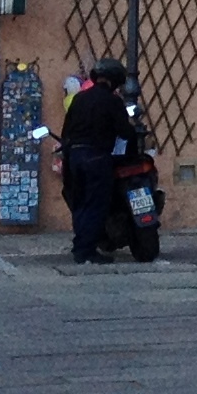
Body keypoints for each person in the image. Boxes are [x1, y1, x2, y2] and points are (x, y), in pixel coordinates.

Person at [62, 61, 131, 263]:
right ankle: (86, 251)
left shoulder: (79, 99)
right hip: (97, 157)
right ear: (115, 80)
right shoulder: (113, 101)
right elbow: (125, 132)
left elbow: (66, 131)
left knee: (80, 202)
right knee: (95, 204)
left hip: (74, 157)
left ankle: (79, 246)